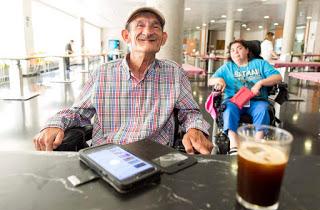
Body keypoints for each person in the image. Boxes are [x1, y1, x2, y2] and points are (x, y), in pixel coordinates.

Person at [33, 7, 213, 154]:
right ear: (126, 36)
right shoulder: (102, 73)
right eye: (140, 26)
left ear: (163, 39)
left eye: (155, 27)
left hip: (156, 156)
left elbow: (190, 112)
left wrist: (195, 128)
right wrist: (54, 124)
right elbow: (78, 113)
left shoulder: (175, 73)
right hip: (107, 155)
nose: (148, 31)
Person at [208, 39, 282, 155]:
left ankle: (257, 145)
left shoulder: (259, 64)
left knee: (263, 110)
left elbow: (278, 77)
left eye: (239, 48)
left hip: (256, 101)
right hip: (234, 101)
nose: (235, 52)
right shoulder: (227, 67)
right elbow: (210, 80)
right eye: (232, 50)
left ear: (247, 50)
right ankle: (234, 145)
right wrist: (220, 79)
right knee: (228, 109)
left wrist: (260, 83)